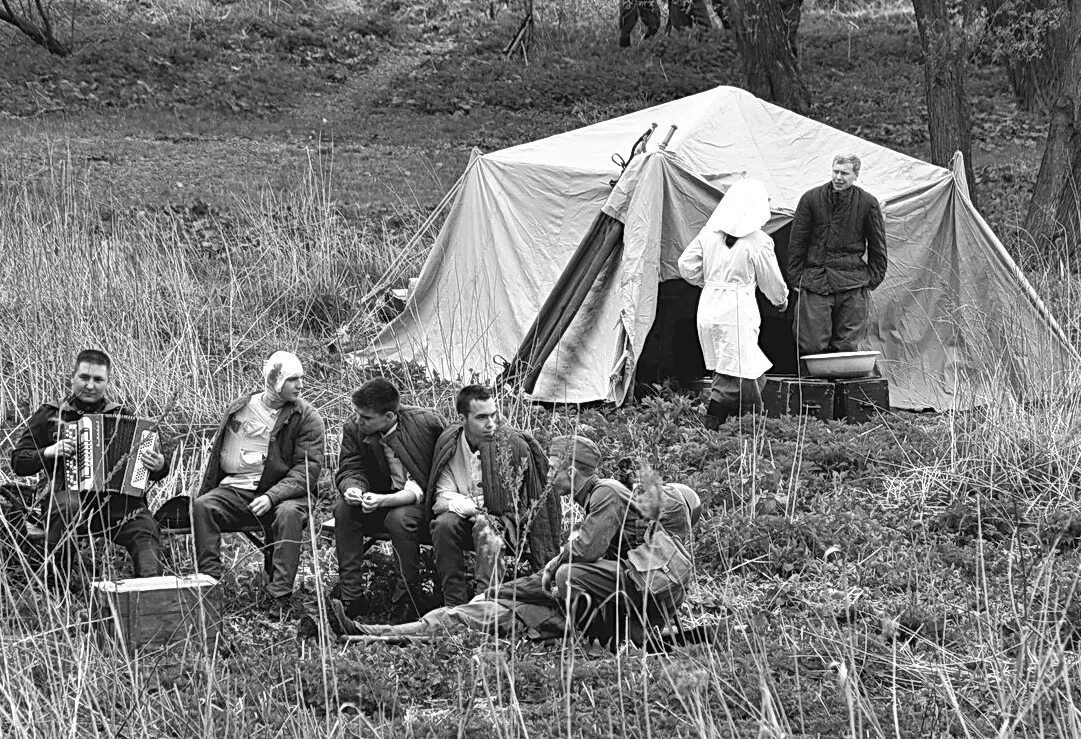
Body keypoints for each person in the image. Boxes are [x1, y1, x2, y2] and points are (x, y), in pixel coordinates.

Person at [331, 436, 701, 651]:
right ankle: (370, 634)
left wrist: (536, 578)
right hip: (572, 610)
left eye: (553, 465)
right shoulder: (605, 509)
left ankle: (373, 636)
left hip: (571, 615)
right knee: (474, 613)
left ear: (571, 470)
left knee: (485, 613)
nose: (548, 473)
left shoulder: (607, 495)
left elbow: (579, 558)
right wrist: (509, 589)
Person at [10, 349, 169, 587]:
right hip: (66, 499)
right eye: (84, 377)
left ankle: (150, 592)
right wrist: (50, 452)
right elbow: (18, 462)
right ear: (72, 378)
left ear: (107, 382)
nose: (90, 385)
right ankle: (56, 589)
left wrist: (159, 465)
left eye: (98, 379)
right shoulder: (51, 414)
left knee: (144, 524)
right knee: (68, 505)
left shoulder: (121, 415)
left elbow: (155, 469)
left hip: (114, 503)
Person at [192, 351, 324, 607]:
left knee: (288, 514)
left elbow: (305, 471)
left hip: (285, 496)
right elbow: (220, 457)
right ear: (275, 380)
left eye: (301, 378)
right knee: (203, 506)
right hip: (240, 492)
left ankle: (279, 595)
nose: (300, 385)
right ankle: (210, 584)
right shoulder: (240, 408)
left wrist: (271, 496)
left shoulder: (307, 417)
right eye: (292, 379)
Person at [427, 385, 560, 607]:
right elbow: (441, 498)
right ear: (464, 418)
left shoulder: (511, 444)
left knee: (485, 524)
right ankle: (454, 601)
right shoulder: (451, 444)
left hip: (504, 522)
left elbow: (518, 501)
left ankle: (485, 602)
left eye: (493, 415)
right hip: (460, 516)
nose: (490, 423)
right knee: (443, 524)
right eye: (481, 417)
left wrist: (475, 507)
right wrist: (474, 505)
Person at [678, 178, 789, 428]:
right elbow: (771, 280)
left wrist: (712, 282)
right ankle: (718, 427)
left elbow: (686, 266)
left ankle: (750, 425)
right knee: (733, 374)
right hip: (737, 309)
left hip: (708, 307)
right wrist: (780, 300)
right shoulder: (758, 241)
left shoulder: (709, 233)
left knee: (748, 369)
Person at [333, 378, 446, 622]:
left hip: (418, 503)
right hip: (376, 499)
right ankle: (351, 597)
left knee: (400, 518)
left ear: (389, 417)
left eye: (366, 417)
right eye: (358, 414)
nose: (358, 420)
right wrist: (353, 488)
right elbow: (350, 467)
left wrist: (387, 500)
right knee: (344, 509)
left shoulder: (426, 424)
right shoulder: (355, 428)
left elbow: (437, 474)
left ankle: (406, 597)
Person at [787, 154, 887, 359]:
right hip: (816, 281)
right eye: (836, 171)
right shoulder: (811, 199)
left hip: (852, 283)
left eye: (845, 173)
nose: (839, 177)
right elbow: (797, 242)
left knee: (848, 347)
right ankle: (813, 390)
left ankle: (843, 390)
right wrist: (797, 278)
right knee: (811, 345)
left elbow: (878, 247)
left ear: (856, 175)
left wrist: (870, 280)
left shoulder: (867, 203)